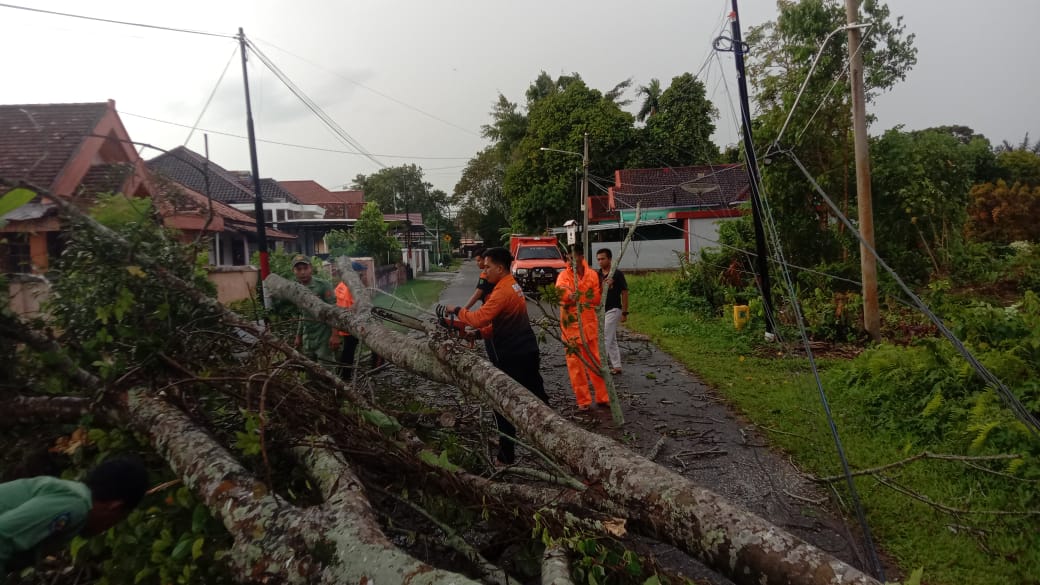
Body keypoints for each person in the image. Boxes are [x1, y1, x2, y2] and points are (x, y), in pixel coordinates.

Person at [440, 247, 549, 465]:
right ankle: (555, 439)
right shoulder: (512, 286)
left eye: (488, 266)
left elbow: (480, 317)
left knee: (501, 403)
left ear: (500, 268)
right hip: (526, 351)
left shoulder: (502, 291)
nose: (484, 270)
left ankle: (506, 455)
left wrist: (457, 310)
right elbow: (497, 325)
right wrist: (477, 335)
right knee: (540, 398)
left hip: (511, 356)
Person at [0, 457, 148, 575]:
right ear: (115, 506)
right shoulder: (74, 505)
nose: (107, 528)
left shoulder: (71, 496)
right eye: (118, 519)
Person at [556, 245, 608, 410]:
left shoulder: (592, 274)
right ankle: (583, 401)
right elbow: (561, 291)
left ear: (580, 256)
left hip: (589, 327)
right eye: (568, 257)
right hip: (571, 328)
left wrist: (601, 290)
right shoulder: (563, 276)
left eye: (573, 256)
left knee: (597, 363)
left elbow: (597, 298)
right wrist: (569, 296)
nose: (570, 260)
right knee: (576, 368)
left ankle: (603, 397)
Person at [291, 255, 340, 365]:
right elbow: (302, 314)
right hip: (308, 336)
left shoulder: (323, 286)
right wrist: (298, 336)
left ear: (311, 268)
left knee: (326, 369)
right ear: (294, 271)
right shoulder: (296, 288)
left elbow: (334, 311)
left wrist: (335, 335)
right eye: (299, 269)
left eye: (305, 268)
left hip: (323, 335)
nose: (302, 272)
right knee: (310, 369)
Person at [596, 248, 629, 375]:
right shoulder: (598, 274)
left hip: (614, 309)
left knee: (605, 337)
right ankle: (617, 366)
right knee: (612, 338)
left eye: (603, 259)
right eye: (598, 259)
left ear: (609, 259)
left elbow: (625, 293)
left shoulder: (617, 274)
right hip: (602, 310)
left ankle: (600, 365)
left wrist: (625, 312)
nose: (600, 262)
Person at [332, 262, 363, 380]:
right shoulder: (351, 288)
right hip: (350, 324)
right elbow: (354, 308)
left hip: (339, 324)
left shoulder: (340, 285)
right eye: (361, 272)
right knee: (349, 352)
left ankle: (341, 374)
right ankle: (346, 377)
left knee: (346, 351)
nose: (363, 274)